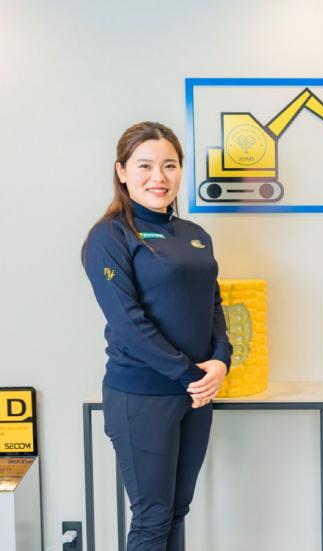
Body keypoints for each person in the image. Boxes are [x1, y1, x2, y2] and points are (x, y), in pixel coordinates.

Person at [82, 122, 232, 551]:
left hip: (195, 394)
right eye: (145, 165)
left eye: (169, 165)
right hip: (142, 395)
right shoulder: (109, 236)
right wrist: (190, 375)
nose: (158, 177)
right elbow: (128, 323)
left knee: (177, 511)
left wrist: (221, 359)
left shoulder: (196, 235)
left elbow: (213, 304)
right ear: (122, 171)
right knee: (152, 519)